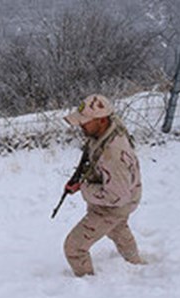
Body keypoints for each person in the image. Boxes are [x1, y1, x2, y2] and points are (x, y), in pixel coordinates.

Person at [62, 94, 145, 277]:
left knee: (74, 247)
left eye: (85, 121)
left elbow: (116, 196)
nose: (81, 125)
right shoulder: (107, 130)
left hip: (114, 205)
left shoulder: (114, 153)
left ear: (101, 120)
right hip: (126, 197)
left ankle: (87, 287)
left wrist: (84, 188)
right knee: (117, 229)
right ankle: (136, 264)